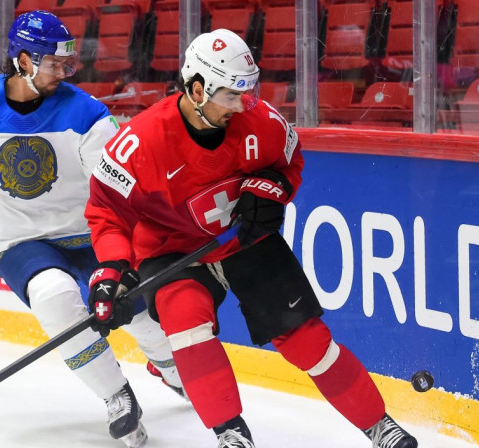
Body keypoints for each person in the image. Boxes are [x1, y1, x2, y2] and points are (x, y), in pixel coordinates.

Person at [84, 28, 419, 448]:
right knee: (187, 327)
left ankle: (378, 425)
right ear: (198, 88)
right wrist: (112, 269)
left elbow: (289, 163)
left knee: (306, 339)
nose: (243, 104)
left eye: (248, 92)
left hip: (245, 242)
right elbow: (106, 211)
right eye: (231, 95)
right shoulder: (138, 143)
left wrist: (273, 188)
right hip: (172, 252)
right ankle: (231, 435)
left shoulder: (261, 122)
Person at [0, 10, 185, 448]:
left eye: (69, 64)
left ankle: (169, 366)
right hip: (20, 243)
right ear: (24, 61)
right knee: (55, 298)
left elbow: (112, 185)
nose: (65, 72)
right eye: (55, 64)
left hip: (89, 233)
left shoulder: (87, 112)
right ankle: (116, 395)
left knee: (137, 312)